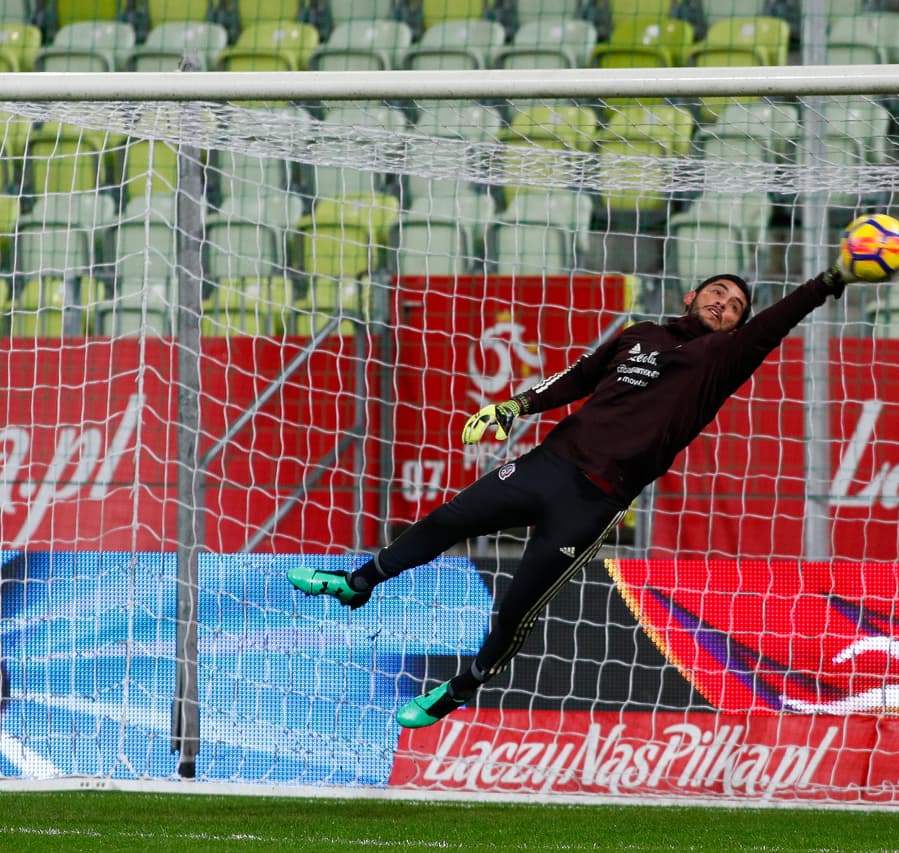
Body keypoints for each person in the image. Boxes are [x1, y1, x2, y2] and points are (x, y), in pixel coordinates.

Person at [287, 262, 856, 728]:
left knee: (513, 611)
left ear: (738, 325)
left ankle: (462, 687)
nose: (724, 304)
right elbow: (578, 378)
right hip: (548, 465)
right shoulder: (637, 335)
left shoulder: (722, 358)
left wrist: (830, 279)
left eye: (735, 305)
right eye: (717, 293)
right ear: (691, 296)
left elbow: (780, 318)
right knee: (450, 518)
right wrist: (515, 406)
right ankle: (358, 582)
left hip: (594, 502)